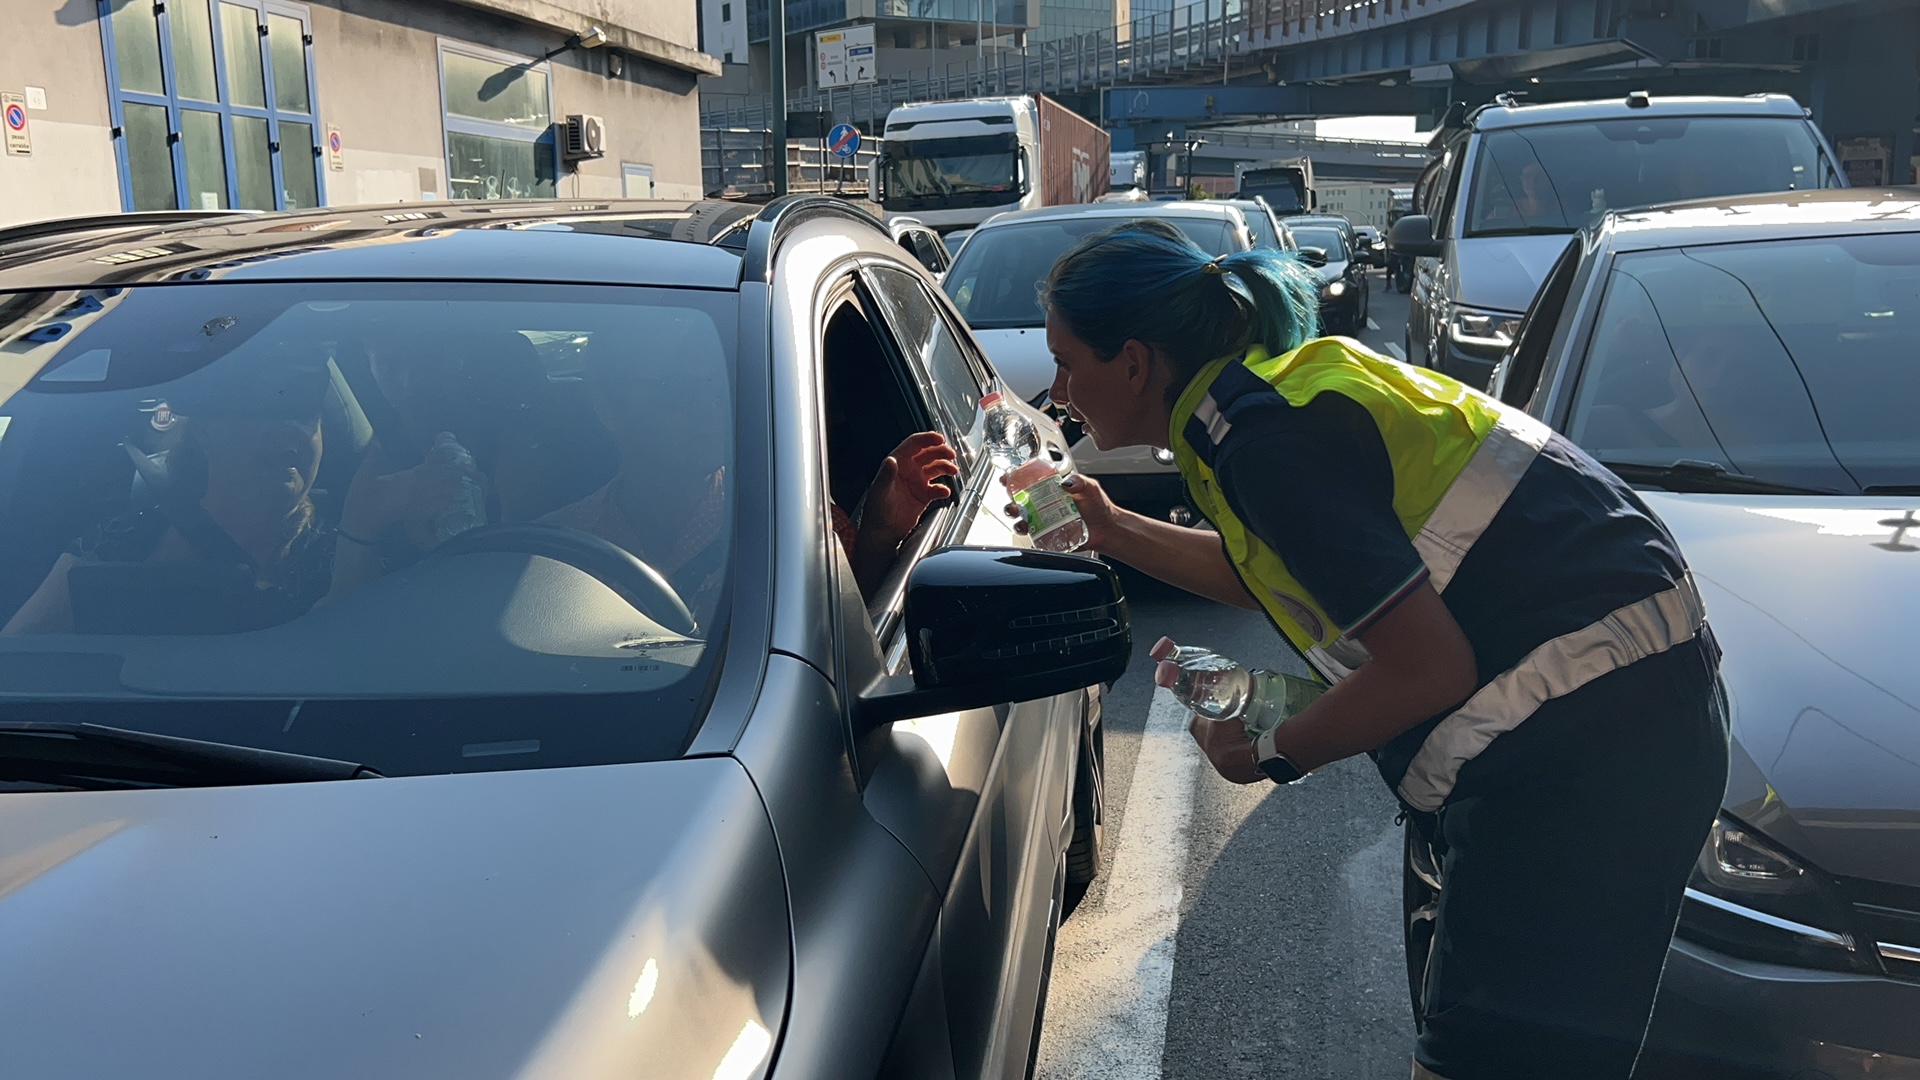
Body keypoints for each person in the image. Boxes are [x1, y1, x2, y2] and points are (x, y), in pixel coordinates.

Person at [1032, 219, 1727, 1080]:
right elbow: (1290, 573)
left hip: (1587, 755)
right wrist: (1111, 528)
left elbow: (1429, 667)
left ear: (1133, 361)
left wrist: (1272, 754)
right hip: (1611, 719)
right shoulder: (1253, 404)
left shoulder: (1260, 440)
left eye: (1068, 361)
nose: (1059, 392)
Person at [4, 359, 337, 635]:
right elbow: (17, 659)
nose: (293, 430)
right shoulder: (119, 544)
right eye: (269, 413)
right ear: (206, 431)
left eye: (309, 417)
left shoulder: (342, 548)